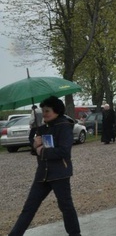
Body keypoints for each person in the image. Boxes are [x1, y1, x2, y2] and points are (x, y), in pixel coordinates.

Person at [9, 96, 81, 236]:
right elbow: (35, 150)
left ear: (57, 111)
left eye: (47, 110)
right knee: (29, 207)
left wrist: (43, 151)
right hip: (42, 174)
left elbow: (64, 151)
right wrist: (35, 145)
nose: (45, 113)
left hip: (60, 173)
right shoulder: (41, 128)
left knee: (66, 207)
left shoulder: (64, 126)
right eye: (43, 110)